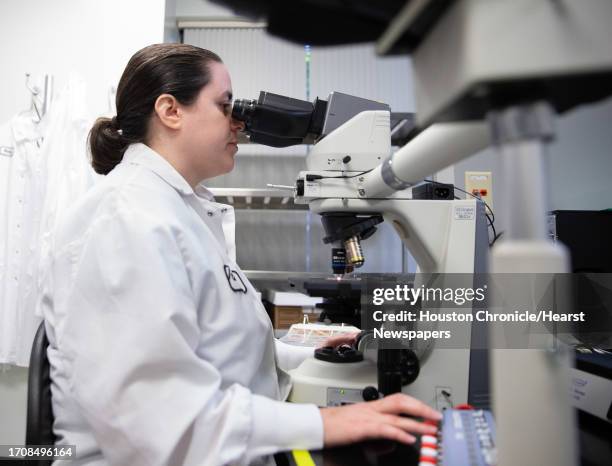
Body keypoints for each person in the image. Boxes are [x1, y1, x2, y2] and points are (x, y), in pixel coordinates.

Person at [40, 43, 441, 466]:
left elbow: (213, 348)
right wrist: (326, 424)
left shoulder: (181, 210)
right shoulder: (125, 220)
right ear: (170, 111)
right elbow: (158, 419)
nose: (238, 124)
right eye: (224, 105)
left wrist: (304, 354)